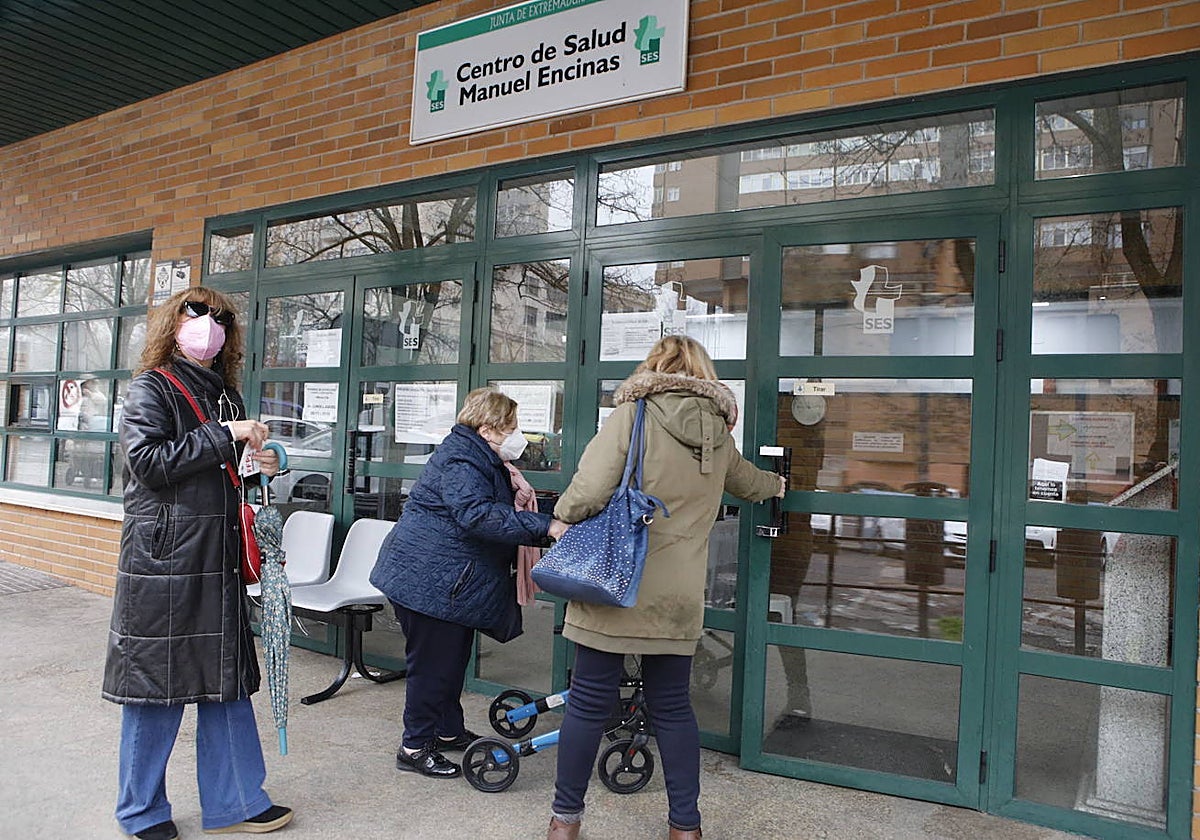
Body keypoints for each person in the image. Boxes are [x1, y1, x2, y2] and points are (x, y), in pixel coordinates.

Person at [546, 335, 786, 840]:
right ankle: (685, 828)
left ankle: (565, 822)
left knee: (589, 703)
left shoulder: (634, 415)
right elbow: (747, 481)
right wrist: (781, 485)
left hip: (614, 582)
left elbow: (589, 489)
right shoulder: (718, 433)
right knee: (673, 707)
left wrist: (561, 518)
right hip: (677, 597)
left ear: (653, 366)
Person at [102, 287, 292, 840]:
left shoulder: (226, 394)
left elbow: (231, 471)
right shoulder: (151, 388)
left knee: (226, 683)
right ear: (173, 323)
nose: (210, 325)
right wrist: (222, 435)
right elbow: (147, 463)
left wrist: (264, 461)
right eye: (197, 312)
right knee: (153, 692)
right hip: (163, 563)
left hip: (219, 554)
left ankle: (237, 801)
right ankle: (141, 812)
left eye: (222, 318)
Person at [370, 387, 570, 779]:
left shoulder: (477, 456)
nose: (518, 435)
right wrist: (547, 526)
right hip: (430, 583)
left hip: (445, 582)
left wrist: (556, 513)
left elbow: (495, 507)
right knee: (432, 668)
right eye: (512, 426)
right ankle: (413, 747)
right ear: (488, 428)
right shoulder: (462, 459)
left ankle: (446, 731)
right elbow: (478, 515)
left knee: (450, 662)